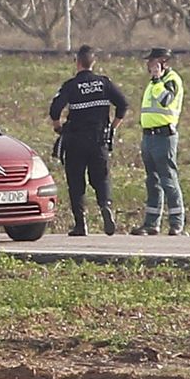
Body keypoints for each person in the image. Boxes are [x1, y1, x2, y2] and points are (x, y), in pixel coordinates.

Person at [48, 44, 128, 236]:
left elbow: (55, 109)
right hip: (98, 140)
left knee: (76, 182)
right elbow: (123, 104)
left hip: (75, 141)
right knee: (101, 178)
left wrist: (58, 127)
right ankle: (105, 206)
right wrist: (112, 126)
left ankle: (80, 224)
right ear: (94, 62)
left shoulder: (71, 85)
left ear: (77, 63)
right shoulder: (104, 83)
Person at [132, 47, 185, 235]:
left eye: (152, 61)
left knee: (168, 180)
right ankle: (151, 224)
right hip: (149, 136)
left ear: (162, 62)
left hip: (164, 137)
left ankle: (176, 223)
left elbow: (166, 100)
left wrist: (156, 79)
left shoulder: (171, 80)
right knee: (152, 181)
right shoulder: (155, 83)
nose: (148, 65)